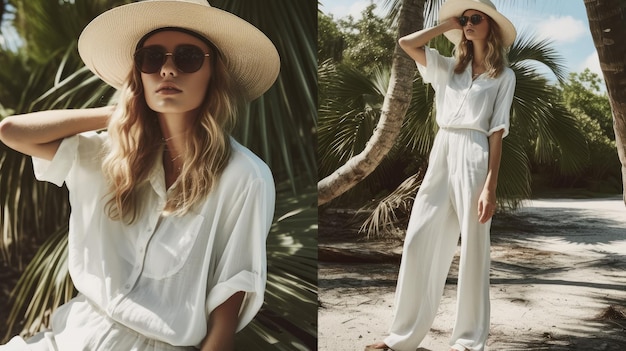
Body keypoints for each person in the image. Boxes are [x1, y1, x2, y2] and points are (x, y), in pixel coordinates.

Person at [0, 0, 279, 350]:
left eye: (188, 57)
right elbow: (12, 131)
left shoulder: (244, 176)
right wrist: (122, 110)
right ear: (139, 73)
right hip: (70, 335)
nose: (166, 70)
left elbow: (228, 306)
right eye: (151, 57)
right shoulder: (112, 154)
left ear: (214, 73)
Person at [365, 0, 516, 350]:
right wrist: (444, 25)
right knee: (419, 238)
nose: (467, 23)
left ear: (490, 26)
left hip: (476, 153)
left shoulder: (504, 76)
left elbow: (497, 131)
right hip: (443, 148)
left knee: (474, 250)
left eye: (474, 18)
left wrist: (490, 187)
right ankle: (399, 339)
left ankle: (467, 342)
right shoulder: (449, 68)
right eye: (464, 19)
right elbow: (407, 44)